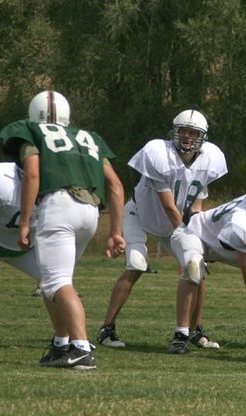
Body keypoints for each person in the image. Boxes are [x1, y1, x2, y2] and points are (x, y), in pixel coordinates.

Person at [0, 90, 126, 369]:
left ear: (33, 114)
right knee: (53, 282)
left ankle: (80, 348)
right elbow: (115, 185)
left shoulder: (30, 131)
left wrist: (24, 221)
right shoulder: (88, 137)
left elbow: (32, 173)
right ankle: (61, 343)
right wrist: (115, 231)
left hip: (58, 206)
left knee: (56, 282)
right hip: (90, 212)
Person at [97, 109, 227, 349]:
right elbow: (168, 205)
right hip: (141, 215)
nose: (188, 136)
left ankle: (194, 330)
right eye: (183, 131)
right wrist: (184, 230)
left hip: (174, 224)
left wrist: (199, 236)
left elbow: (197, 204)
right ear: (174, 132)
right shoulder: (158, 153)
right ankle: (107, 329)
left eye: (193, 132)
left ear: (203, 137)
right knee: (136, 264)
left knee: (196, 264)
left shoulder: (210, 159)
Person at [167, 172, 246, 354]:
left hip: (227, 244)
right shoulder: (243, 223)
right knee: (193, 267)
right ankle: (181, 335)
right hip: (194, 234)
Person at [0, 163, 65, 350]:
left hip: (26, 248)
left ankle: (63, 339)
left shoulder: (59, 185)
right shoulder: (3, 178)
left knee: (57, 284)